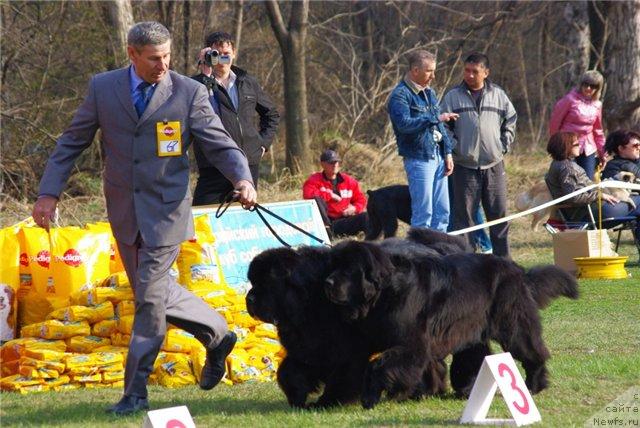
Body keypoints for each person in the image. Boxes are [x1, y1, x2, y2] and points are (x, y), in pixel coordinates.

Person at [31, 22, 257, 415]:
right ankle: (218, 334)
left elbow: (221, 143)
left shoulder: (188, 92)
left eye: (168, 56)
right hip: (124, 210)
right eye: (154, 58)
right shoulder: (103, 88)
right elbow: (71, 142)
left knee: (150, 299)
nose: (164, 65)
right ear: (132, 54)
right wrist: (49, 193)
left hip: (167, 212)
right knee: (151, 293)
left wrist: (242, 178)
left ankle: (135, 392)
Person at [441, 52, 517, 258]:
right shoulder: (452, 96)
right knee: (463, 219)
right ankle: (466, 264)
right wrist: (454, 147)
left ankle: (504, 262)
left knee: (498, 215)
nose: (470, 75)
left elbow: (510, 119)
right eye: (467, 70)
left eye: (475, 71)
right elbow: (442, 127)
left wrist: (502, 145)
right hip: (464, 167)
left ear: (486, 72)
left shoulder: (499, 95)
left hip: (493, 165)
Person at [191, 31, 280, 205]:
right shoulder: (197, 84)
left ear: (234, 54)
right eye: (216, 54)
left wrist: (262, 144)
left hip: (248, 162)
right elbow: (199, 106)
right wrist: (205, 73)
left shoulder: (246, 81)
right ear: (208, 54)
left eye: (226, 54)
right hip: (213, 164)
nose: (222, 58)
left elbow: (271, 114)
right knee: (204, 214)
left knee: (243, 214)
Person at [387, 50, 459, 233]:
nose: (433, 76)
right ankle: (419, 255)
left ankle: (439, 253)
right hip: (418, 159)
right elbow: (404, 125)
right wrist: (434, 118)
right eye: (429, 71)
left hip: (438, 157)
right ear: (415, 70)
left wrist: (447, 152)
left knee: (442, 212)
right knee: (423, 212)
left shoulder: (430, 93)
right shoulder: (400, 95)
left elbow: (439, 124)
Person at [545, 131, 640, 234]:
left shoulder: (558, 164)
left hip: (584, 211)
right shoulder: (568, 168)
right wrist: (600, 195)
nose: (579, 146)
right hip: (591, 212)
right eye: (576, 144)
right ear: (565, 147)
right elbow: (574, 197)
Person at [549, 70, 605, 180]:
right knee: (568, 178)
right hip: (567, 145)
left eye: (593, 86)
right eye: (586, 84)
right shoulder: (569, 100)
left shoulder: (597, 104)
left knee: (587, 181)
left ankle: (585, 197)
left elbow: (598, 131)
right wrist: (555, 146)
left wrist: (603, 152)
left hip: (588, 147)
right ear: (581, 84)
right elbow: (554, 124)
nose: (588, 88)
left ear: (598, 88)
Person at [302, 149, 368, 237]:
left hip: (344, 220)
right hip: (327, 223)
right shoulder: (314, 180)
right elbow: (308, 195)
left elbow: (361, 199)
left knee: (367, 216)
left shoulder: (349, 181)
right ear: (322, 164)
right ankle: (327, 233)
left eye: (336, 162)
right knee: (317, 199)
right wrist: (330, 195)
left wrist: (354, 208)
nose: (335, 165)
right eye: (331, 163)